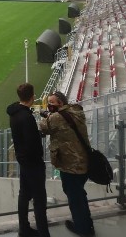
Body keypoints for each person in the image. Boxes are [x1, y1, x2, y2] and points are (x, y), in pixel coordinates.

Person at [39, 91, 94, 237]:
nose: (49, 105)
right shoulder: (75, 111)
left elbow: (43, 127)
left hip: (71, 164)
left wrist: (48, 116)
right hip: (84, 161)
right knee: (80, 195)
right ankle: (87, 225)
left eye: (52, 102)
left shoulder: (56, 117)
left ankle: (82, 229)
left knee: (75, 197)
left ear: (60, 104)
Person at [7, 83, 50, 237]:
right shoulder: (26, 117)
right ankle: (44, 232)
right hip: (33, 163)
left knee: (24, 195)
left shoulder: (14, 113)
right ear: (32, 97)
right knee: (39, 199)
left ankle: (24, 228)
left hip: (23, 161)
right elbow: (32, 143)